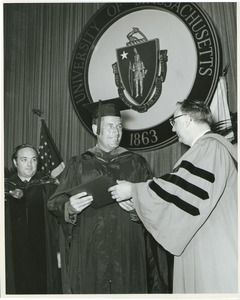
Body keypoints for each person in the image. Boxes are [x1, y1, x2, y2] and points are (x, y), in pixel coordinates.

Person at [109, 99, 238, 293]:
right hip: (209, 242)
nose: (173, 129)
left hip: (212, 250)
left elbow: (182, 191)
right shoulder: (212, 148)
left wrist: (134, 190)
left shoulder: (209, 148)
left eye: (174, 121)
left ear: (186, 120)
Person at [47, 98, 171, 294]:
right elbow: (54, 202)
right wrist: (69, 206)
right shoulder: (78, 163)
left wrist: (137, 207)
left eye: (119, 126)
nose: (116, 131)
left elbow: (155, 202)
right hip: (90, 248)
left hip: (127, 247)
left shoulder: (136, 163)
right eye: (110, 126)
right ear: (95, 128)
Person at [5, 144, 62, 294]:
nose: (30, 164)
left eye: (34, 160)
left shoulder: (49, 186)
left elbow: (58, 223)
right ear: (15, 162)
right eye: (24, 159)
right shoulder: (5, 188)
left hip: (44, 253)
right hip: (13, 255)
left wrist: (58, 250)